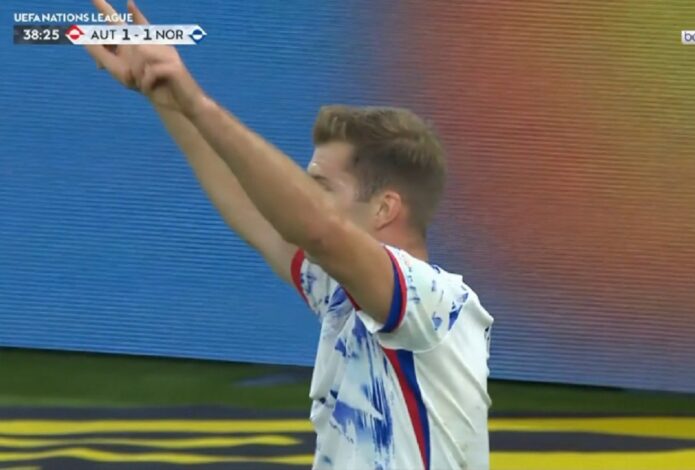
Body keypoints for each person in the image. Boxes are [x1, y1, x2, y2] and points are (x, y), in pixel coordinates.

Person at [86, 1, 494, 468]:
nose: (303, 199)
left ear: (384, 208)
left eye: (320, 187)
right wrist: (165, 97)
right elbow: (254, 213)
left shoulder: (438, 303)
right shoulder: (342, 292)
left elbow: (317, 228)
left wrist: (196, 101)